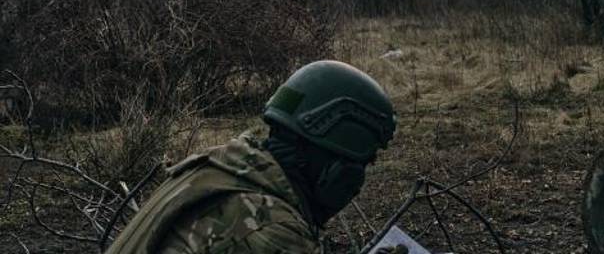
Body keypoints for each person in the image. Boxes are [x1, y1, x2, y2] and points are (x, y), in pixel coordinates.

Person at [106, 60, 397, 253]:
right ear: (334, 167)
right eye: (360, 166)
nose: (357, 184)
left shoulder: (215, 170)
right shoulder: (273, 230)